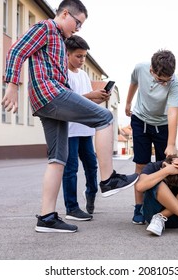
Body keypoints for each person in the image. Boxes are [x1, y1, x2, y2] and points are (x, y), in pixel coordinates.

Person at [2, 0, 138, 233]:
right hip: (51, 93)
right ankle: (108, 179)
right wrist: (12, 85)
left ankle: (46, 218)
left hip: (47, 100)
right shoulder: (45, 28)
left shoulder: (59, 40)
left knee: (58, 159)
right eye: (77, 23)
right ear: (65, 14)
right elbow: (16, 50)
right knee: (105, 117)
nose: (77, 29)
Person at [125, 50, 178, 225]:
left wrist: (171, 143)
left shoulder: (174, 83)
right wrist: (128, 102)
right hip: (140, 120)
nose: (164, 83)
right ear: (152, 70)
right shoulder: (140, 68)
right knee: (141, 165)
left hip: (162, 124)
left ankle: (160, 207)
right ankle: (139, 207)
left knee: (163, 166)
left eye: (167, 80)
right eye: (160, 80)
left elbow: (173, 112)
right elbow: (133, 83)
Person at [62, 35, 110, 221]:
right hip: (70, 130)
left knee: (92, 166)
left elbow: (88, 102)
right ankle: (71, 208)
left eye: (84, 56)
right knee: (71, 169)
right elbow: (70, 101)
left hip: (86, 130)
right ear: (67, 54)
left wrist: (101, 97)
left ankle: (90, 193)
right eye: (78, 56)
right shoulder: (63, 74)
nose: (82, 60)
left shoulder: (83, 75)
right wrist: (91, 95)